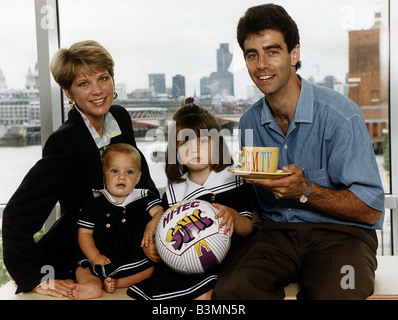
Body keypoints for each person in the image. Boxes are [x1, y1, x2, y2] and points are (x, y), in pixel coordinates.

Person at [212, 4, 385, 300]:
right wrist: (232, 213)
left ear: (294, 54)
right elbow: (254, 202)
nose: (262, 64)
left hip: (343, 236)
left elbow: (370, 210)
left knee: (340, 292)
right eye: (252, 55)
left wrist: (305, 190)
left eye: (272, 51)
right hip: (275, 235)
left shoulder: (341, 116)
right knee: (230, 292)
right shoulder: (249, 122)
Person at [2, 40, 162, 297]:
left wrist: (156, 218)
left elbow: (141, 182)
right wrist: (33, 276)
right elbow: (16, 215)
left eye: (103, 78)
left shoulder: (118, 118)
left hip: (124, 246)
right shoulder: (66, 141)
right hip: (77, 252)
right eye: (83, 84)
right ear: (69, 93)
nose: (98, 90)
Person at [128, 98, 254, 300]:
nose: (194, 149)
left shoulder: (234, 180)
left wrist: (234, 217)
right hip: (186, 264)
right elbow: (163, 233)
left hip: (229, 259)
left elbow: (248, 227)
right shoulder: (174, 192)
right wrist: (154, 247)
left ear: (218, 144)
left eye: (203, 140)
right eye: (185, 142)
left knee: (208, 292)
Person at [68, 143, 160, 299]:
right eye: (114, 171)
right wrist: (94, 256)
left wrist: (152, 223)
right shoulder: (96, 203)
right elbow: (84, 233)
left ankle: (118, 282)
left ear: (137, 178)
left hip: (132, 256)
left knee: (152, 268)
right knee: (82, 268)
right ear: (104, 174)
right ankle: (92, 285)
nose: (122, 176)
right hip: (101, 256)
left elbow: (160, 212)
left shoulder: (144, 198)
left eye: (129, 172)